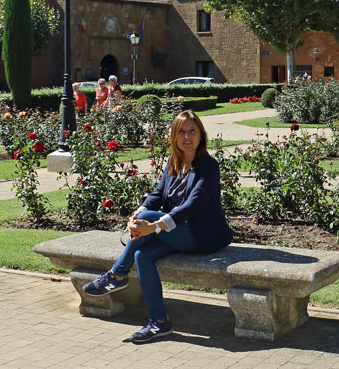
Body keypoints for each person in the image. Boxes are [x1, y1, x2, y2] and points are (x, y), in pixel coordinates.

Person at [82, 110, 232, 343]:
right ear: (174, 136)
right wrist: (136, 217)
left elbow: (192, 206)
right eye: (181, 131)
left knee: (151, 217)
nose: (187, 137)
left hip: (203, 236)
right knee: (142, 255)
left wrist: (153, 226)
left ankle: (117, 274)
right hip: (176, 233)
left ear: (201, 135)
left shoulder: (208, 166)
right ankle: (159, 323)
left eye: (192, 131)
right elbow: (157, 194)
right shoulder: (174, 162)